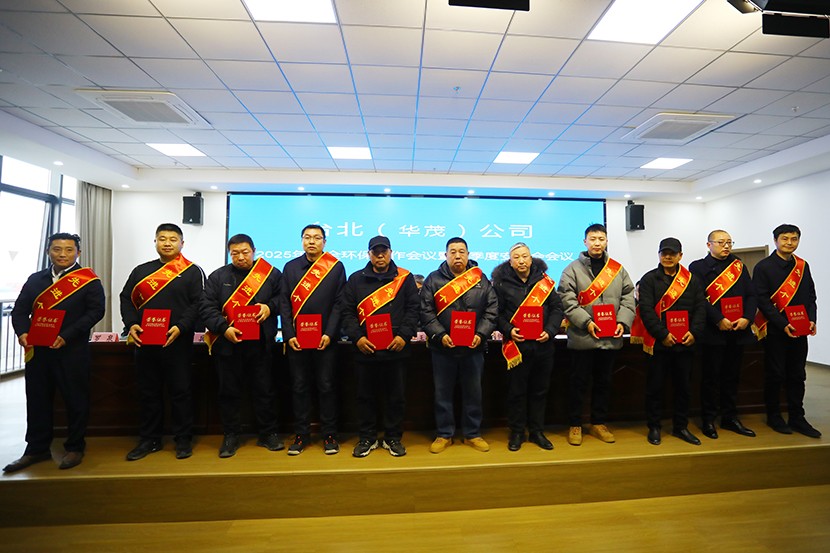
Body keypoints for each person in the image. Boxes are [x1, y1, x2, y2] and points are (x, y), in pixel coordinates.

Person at [4, 233, 105, 472]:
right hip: (38, 352)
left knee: (76, 400)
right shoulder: (35, 279)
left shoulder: (88, 281)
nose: (62, 254)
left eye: (69, 250)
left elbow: (95, 312)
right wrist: (23, 333)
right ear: (48, 251)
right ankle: (36, 448)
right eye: (57, 249)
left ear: (78, 253)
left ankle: (75, 447)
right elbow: (19, 311)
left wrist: (67, 335)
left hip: (72, 351)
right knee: (37, 400)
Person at [119, 223, 205, 461]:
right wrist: (131, 324)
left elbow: (198, 303)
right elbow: (126, 299)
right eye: (162, 238)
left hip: (178, 342)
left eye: (173, 239)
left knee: (181, 392)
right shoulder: (141, 271)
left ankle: (183, 439)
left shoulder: (192, 271)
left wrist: (181, 327)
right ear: (155, 242)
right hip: (145, 342)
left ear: (182, 243)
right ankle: (149, 439)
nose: (167, 243)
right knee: (148, 392)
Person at [200, 234, 283, 458]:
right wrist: (223, 328)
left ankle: (268, 433)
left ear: (254, 251)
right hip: (228, 345)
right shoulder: (218, 276)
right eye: (235, 253)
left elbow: (283, 299)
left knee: (264, 390)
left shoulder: (270, 274)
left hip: (261, 345)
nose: (240, 257)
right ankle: (231, 435)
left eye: (245, 252)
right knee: (229, 392)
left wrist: (269, 307)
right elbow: (206, 307)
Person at [338, 235, 419, 457]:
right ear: (369, 254)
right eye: (376, 252)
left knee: (396, 397)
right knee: (365, 397)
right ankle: (367, 438)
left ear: (391, 252)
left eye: (384, 251)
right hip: (366, 350)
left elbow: (414, 309)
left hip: (396, 349)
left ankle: (393, 438)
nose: (380, 255)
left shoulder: (405, 278)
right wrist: (358, 338)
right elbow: (347, 312)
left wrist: (403, 336)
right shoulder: (356, 279)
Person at [558, 224, 636, 446]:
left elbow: (628, 296)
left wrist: (622, 321)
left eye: (601, 239)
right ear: (585, 242)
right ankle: (575, 424)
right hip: (583, 338)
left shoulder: (617, 270)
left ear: (607, 241)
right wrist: (587, 322)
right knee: (578, 383)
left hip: (610, 339)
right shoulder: (571, 270)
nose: (597, 243)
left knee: (604, 382)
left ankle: (598, 422)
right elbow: (566, 300)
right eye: (592, 239)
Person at [420, 237, 498, 454]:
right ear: (445, 255)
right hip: (443, 348)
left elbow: (492, 309)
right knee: (442, 394)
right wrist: (440, 334)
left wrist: (481, 334)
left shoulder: (480, 279)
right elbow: (425, 311)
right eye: (452, 252)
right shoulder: (433, 279)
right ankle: (444, 434)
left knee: (473, 393)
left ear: (468, 254)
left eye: (461, 251)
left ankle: (472, 434)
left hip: (473, 348)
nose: (457, 256)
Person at [279, 224, 346, 455]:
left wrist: (330, 333)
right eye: (307, 237)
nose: (311, 242)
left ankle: (329, 434)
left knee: (326, 386)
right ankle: (301, 434)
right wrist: (289, 335)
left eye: (317, 238)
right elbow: (284, 303)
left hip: (325, 340)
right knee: (299, 387)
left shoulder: (335, 267)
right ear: (301, 241)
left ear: (324, 242)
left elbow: (339, 303)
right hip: (297, 341)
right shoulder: (290, 267)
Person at [491, 243, 564, 451]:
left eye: (525, 256)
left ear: (531, 259)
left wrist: (550, 330)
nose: (521, 261)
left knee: (539, 391)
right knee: (516, 392)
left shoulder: (544, 281)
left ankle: (537, 431)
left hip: (543, 346)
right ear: (510, 261)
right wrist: (509, 330)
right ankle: (516, 432)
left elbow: (557, 308)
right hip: (517, 347)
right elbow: (496, 313)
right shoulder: (501, 284)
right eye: (517, 257)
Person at [634, 237, 706, 446]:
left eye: (672, 253)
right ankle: (654, 427)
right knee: (655, 388)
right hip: (659, 344)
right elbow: (646, 310)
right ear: (658, 255)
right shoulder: (649, 279)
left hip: (686, 343)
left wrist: (694, 332)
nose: (668, 257)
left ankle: (681, 427)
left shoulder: (691, 280)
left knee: (683, 388)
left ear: (680, 256)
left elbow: (700, 308)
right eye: (664, 253)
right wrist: (662, 334)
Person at [752, 224, 820, 438]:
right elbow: (762, 300)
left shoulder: (802, 266)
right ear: (775, 241)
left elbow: (811, 296)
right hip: (775, 330)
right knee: (775, 374)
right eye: (785, 238)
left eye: (794, 239)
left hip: (800, 330)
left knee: (798, 375)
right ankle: (774, 416)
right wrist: (783, 324)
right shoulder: (763, 267)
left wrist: (812, 319)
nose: (789, 243)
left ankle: (797, 417)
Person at [689, 230, 757, 440]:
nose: (726, 246)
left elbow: (751, 294)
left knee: (732, 377)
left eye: (729, 242)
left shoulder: (738, 266)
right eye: (721, 242)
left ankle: (730, 417)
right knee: (710, 378)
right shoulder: (698, 267)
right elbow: (699, 299)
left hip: (738, 331)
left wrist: (747, 317)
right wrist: (718, 319)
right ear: (709, 244)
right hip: (713, 332)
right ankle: (708, 419)